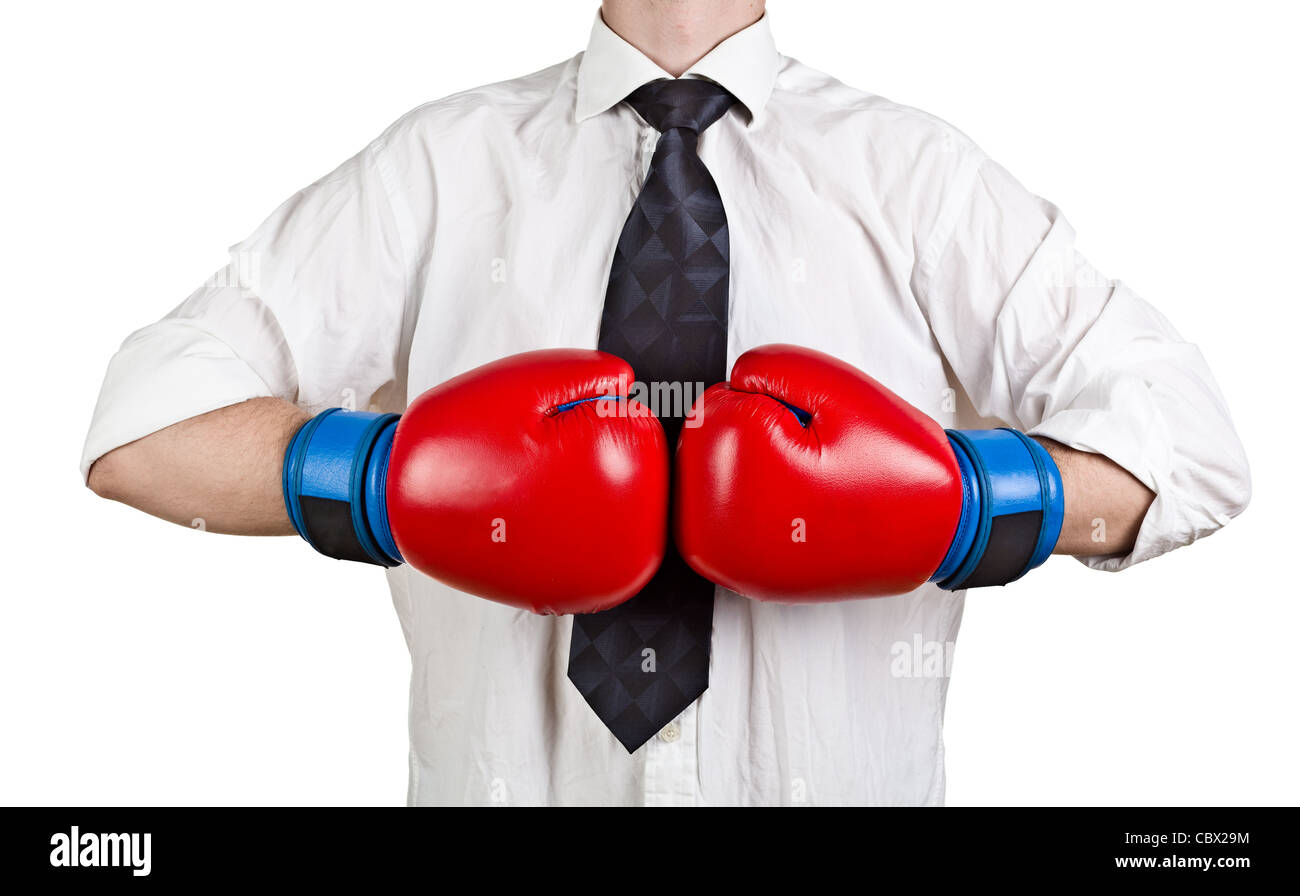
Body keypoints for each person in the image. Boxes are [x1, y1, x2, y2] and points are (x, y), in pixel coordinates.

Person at [82, 1, 1250, 806]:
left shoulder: (917, 179)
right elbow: (140, 430)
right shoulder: (435, 170)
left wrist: (954, 505)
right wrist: (399, 483)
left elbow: (1191, 451)